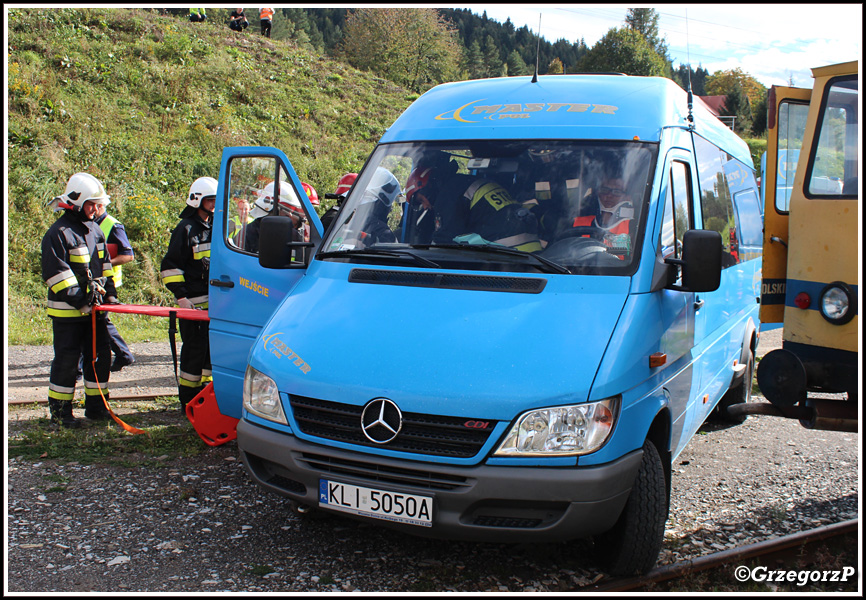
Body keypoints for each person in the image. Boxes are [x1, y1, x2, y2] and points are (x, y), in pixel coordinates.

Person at [42, 173, 118, 428]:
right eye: (91, 204)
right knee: (67, 361)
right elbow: (57, 276)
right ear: (76, 203)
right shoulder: (58, 233)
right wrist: (80, 300)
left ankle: (97, 408)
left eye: (99, 205)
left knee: (100, 358)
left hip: (95, 310)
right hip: (68, 313)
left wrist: (110, 295)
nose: (97, 210)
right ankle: (61, 415)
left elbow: (105, 267)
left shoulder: (95, 230)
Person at [160, 177, 217, 412]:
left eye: (216, 200)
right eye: (210, 200)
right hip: (192, 303)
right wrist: (181, 297)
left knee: (211, 353)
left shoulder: (216, 226)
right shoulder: (185, 229)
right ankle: (187, 402)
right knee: (194, 352)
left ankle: (205, 400)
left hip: (215, 302)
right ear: (198, 201)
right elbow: (170, 267)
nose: (214, 204)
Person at [94, 202, 136, 372]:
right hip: (97, 281)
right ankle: (123, 354)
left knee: (98, 320)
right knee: (99, 320)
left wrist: (102, 264)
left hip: (107, 283)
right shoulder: (91, 223)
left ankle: (123, 354)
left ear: (99, 205)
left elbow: (128, 256)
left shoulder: (113, 225)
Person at [571, 176, 635, 255]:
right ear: (598, 194)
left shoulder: (633, 228)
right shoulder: (577, 223)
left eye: (617, 192)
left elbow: (631, 260)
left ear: (627, 198)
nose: (609, 195)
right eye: (605, 190)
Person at [238, 180, 306, 254]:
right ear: (269, 208)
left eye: (291, 210)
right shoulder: (247, 234)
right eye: (285, 210)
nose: (290, 214)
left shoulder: (293, 236)